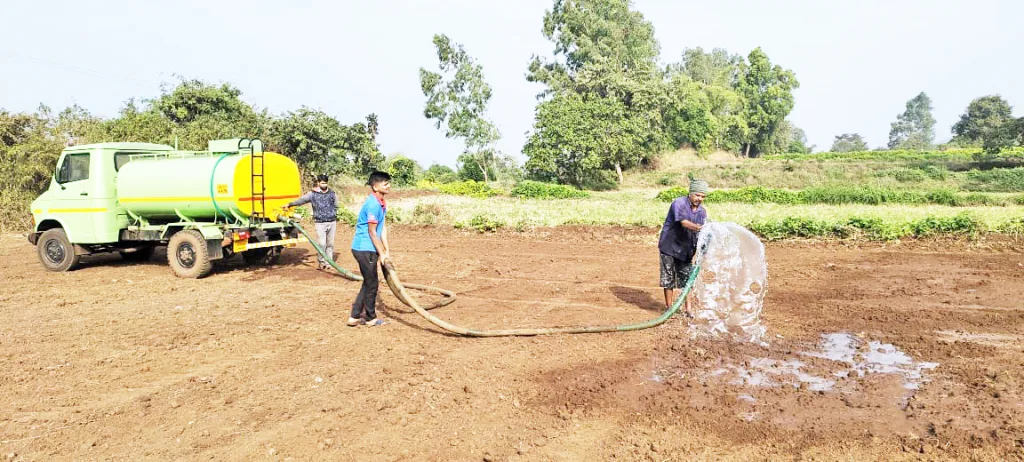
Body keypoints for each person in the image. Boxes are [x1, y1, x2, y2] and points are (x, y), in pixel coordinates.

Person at [658, 176, 709, 317]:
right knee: (668, 279)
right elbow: (684, 223)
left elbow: (702, 233)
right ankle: (669, 308)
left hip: (686, 250)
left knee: (687, 279)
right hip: (669, 246)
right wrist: (701, 228)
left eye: (703, 196)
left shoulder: (702, 212)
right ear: (690, 193)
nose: (699, 198)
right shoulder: (679, 203)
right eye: (697, 195)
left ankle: (688, 309)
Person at [348, 171, 393, 327]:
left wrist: (386, 250)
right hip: (364, 248)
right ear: (375, 186)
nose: (389, 186)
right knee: (372, 283)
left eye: (389, 183)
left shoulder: (381, 201)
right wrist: (381, 254)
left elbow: (382, 227)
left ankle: (354, 317)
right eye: (385, 183)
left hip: (368, 248)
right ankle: (370, 317)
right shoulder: (373, 204)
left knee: (368, 282)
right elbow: (372, 232)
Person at [286, 174, 340, 271]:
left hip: (332, 222)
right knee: (322, 243)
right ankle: (321, 262)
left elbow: (336, 205)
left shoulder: (332, 193)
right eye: (322, 183)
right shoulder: (312, 194)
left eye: (326, 183)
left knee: (330, 244)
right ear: (318, 183)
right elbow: (301, 200)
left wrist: (333, 214)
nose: (324, 185)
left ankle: (329, 263)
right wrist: (290, 204)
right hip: (320, 223)